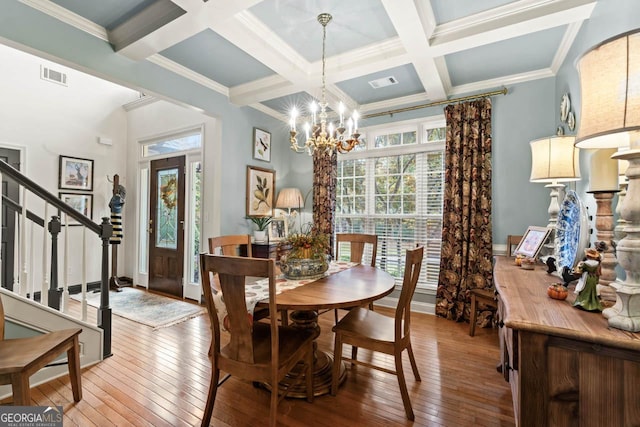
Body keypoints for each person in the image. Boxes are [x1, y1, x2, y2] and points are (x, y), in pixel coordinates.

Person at [573, 247, 603, 312]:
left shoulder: (585, 263)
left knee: (584, 290)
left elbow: (580, 270)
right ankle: (593, 303)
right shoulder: (597, 264)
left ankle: (583, 302)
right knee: (592, 290)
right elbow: (597, 273)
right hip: (593, 278)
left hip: (586, 278)